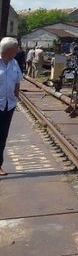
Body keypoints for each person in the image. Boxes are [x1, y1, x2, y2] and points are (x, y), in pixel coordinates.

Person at [0, 37, 23, 176]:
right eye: (16, 49)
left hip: (9, 105)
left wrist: (16, 96)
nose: (17, 51)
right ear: (9, 50)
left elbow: (18, 80)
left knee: (2, 135)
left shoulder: (14, 63)